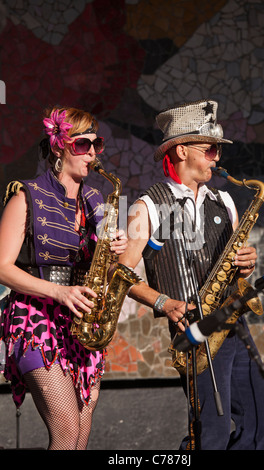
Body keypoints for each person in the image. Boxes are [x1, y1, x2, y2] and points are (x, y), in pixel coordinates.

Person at [119, 100, 264, 450]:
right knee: (213, 434)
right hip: (196, 332)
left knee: (260, 427)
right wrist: (162, 301)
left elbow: (236, 265)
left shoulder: (225, 201)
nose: (216, 158)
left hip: (235, 323)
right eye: (210, 149)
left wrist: (247, 263)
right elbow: (121, 273)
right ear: (182, 150)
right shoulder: (148, 205)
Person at [0, 106, 127, 450]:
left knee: (80, 440)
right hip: (34, 319)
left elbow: (101, 270)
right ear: (58, 146)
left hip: (80, 323)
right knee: (67, 432)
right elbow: (2, 267)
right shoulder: (25, 196)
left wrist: (114, 256)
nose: (92, 153)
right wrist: (58, 292)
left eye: (96, 144)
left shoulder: (95, 201)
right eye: (82, 145)